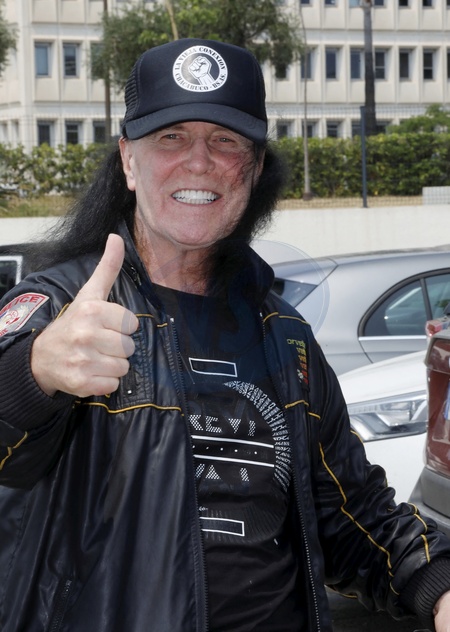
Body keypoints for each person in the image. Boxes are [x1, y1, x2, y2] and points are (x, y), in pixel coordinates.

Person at [0, 38, 450, 632]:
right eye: (170, 137)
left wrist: (438, 585)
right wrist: (35, 373)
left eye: (225, 140)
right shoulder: (61, 307)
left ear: (254, 168)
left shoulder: (285, 336)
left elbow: (352, 516)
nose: (199, 162)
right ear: (128, 161)